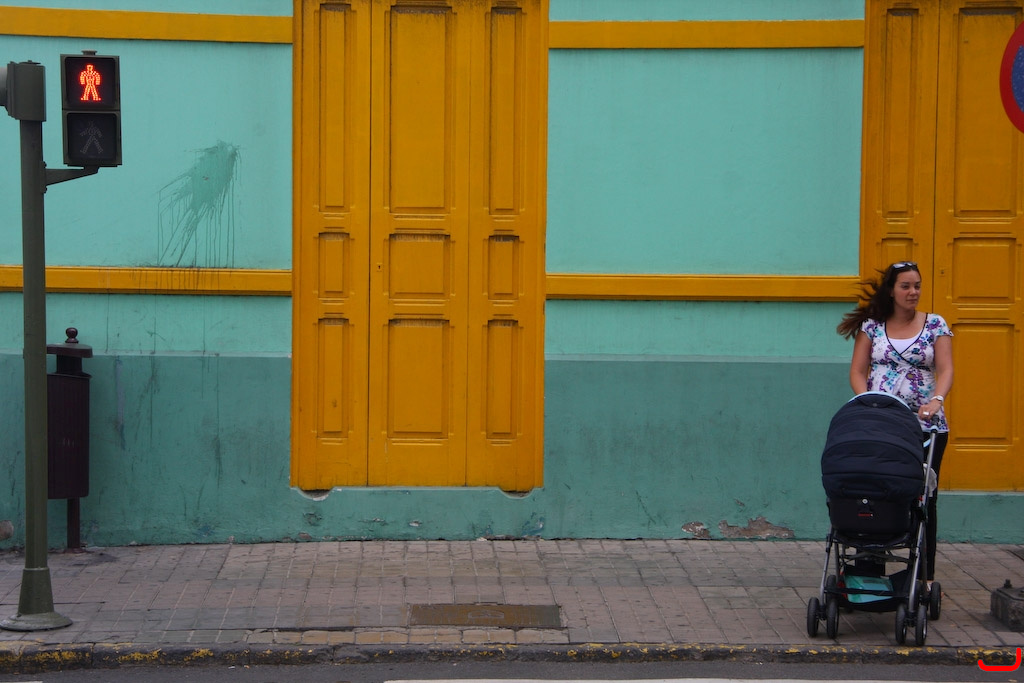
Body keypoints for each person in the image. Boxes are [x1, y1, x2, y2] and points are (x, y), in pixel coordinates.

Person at [837, 261, 954, 587]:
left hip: (924, 427)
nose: (913, 292)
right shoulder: (872, 327)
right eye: (906, 286)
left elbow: (946, 369)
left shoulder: (935, 325)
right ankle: (867, 569)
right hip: (881, 425)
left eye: (917, 285)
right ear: (891, 290)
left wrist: (937, 399)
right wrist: (868, 402)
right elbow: (857, 371)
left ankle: (924, 576)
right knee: (873, 492)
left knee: (923, 498)